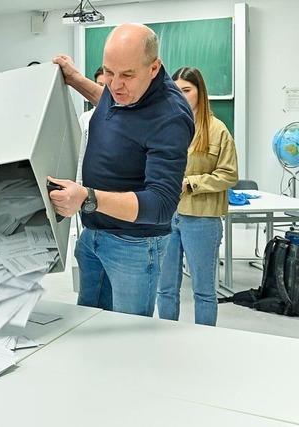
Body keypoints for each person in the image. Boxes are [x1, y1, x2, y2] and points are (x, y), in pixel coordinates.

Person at [48, 23, 194, 316]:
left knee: (129, 336)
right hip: (95, 235)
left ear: (154, 68)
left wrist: (89, 198)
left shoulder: (170, 116)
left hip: (134, 247)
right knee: (88, 324)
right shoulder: (123, 92)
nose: (115, 85)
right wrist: (75, 79)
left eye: (126, 75)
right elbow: (108, 99)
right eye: (108, 72)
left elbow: (162, 204)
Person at [157, 67, 238, 326]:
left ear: (200, 92)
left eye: (187, 90)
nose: (180, 95)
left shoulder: (218, 130)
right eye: (176, 90)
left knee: (203, 291)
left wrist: (191, 183)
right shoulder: (166, 126)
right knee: (165, 288)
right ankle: (167, 340)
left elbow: (228, 174)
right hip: (167, 216)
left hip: (202, 219)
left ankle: (205, 342)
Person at [76, 66, 104, 183]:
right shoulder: (85, 118)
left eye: (107, 86)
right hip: (89, 180)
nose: (102, 90)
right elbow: (81, 155)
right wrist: (78, 182)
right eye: (100, 85)